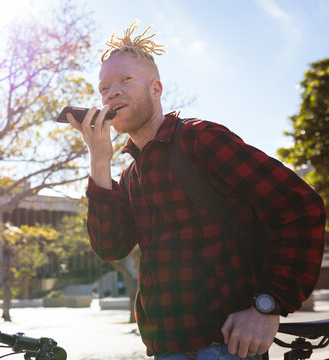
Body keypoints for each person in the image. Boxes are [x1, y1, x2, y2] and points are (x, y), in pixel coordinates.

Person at [67, 21, 326, 360]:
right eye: (104, 89)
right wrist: (99, 163)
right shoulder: (131, 175)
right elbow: (110, 247)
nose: (111, 92)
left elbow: (299, 205)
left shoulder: (199, 139)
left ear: (156, 89)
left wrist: (267, 306)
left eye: (125, 80)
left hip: (224, 349)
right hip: (164, 350)